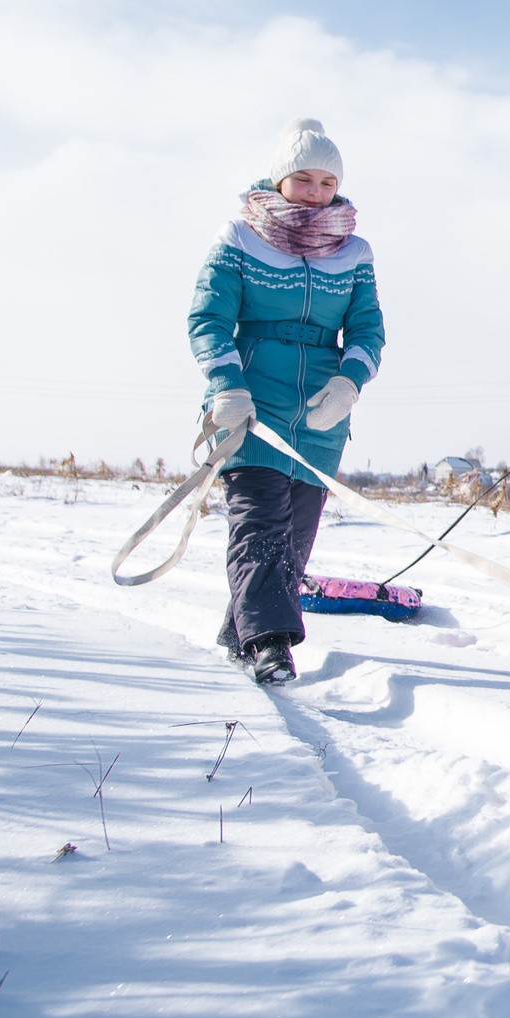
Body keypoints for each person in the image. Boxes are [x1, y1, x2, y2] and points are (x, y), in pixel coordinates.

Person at [189, 119, 386, 685]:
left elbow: (368, 330)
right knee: (259, 522)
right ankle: (271, 644)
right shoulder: (239, 239)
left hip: (321, 410)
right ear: (279, 180)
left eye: (327, 181)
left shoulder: (355, 252)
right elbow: (209, 318)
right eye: (303, 179)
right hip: (252, 403)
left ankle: (242, 629)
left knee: (296, 535)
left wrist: (350, 382)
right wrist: (226, 385)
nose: (316, 191)